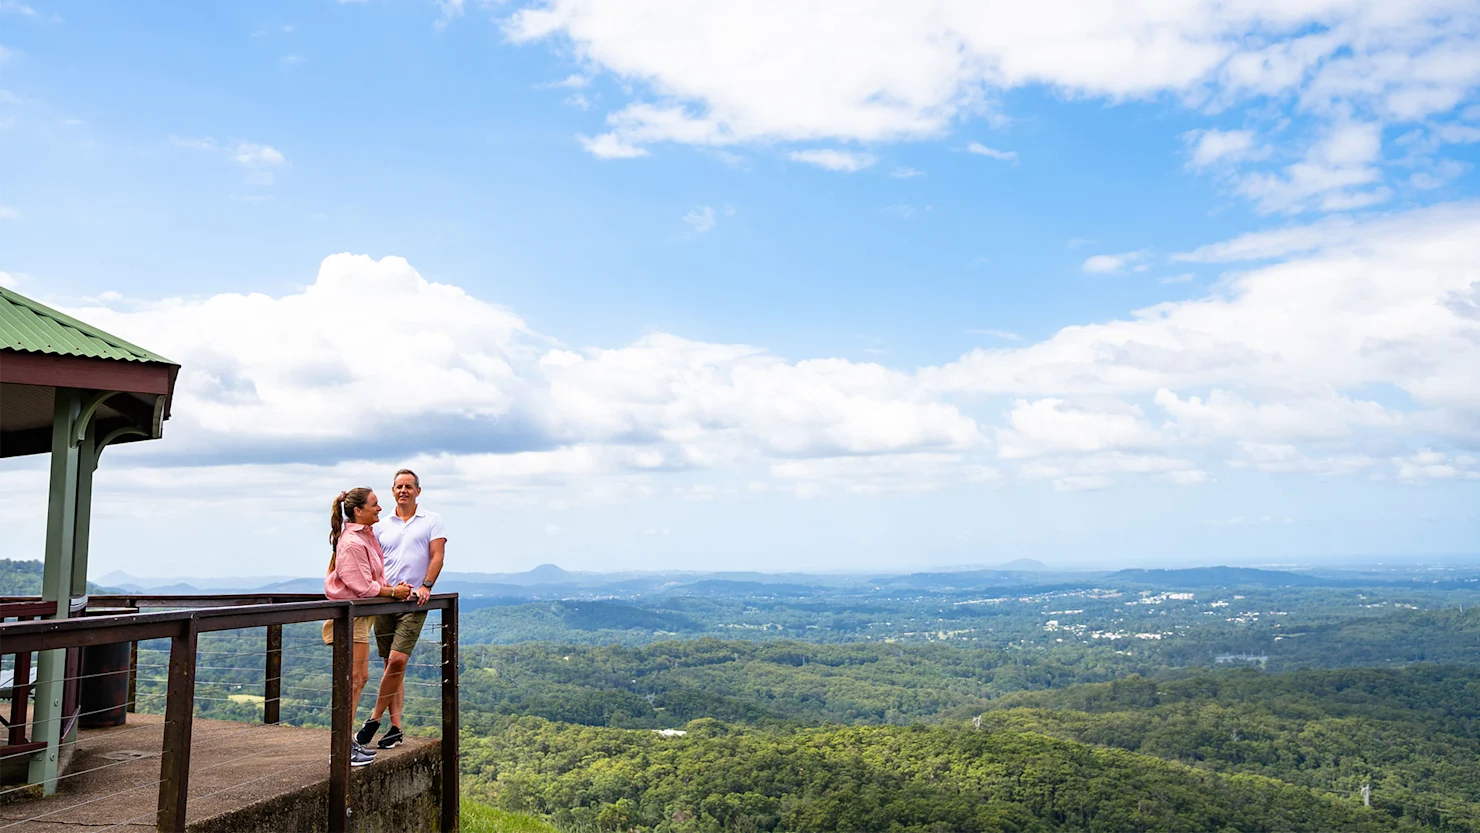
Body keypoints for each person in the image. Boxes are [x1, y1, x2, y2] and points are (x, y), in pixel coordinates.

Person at [357, 469, 446, 750]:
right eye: (398, 486)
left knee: (397, 662)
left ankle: (374, 719)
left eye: (409, 486)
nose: (403, 490)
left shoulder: (432, 520)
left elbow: (437, 555)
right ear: (392, 491)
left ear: (418, 491)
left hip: (413, 601)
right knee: (390, 666)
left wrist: (427, 585)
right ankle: (396, 729)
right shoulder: (381, 525)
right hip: (385, 599)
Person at [324, 487, 412, 767]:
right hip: (352, 616)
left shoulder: (362, 537)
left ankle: (345, 744)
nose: (379, 508)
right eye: (374, 504)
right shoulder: (352, 542)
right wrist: (393, 592)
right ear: (358, 511)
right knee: (354, 680)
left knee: (358, 679)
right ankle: (341, 749)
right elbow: (362, 587)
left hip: (358, 616)